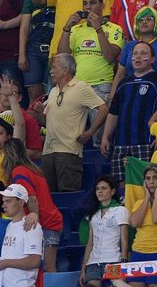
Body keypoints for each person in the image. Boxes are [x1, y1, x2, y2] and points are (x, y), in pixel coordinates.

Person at [40, 54, 107, 192]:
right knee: (48, 195)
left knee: (68, 194)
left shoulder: (81, 87)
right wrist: (38, 113)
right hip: (48, 151)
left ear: (65, 70)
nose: (51, 71)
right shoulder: (53, 91)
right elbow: (46, 121)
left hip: (69, 150)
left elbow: (103, 109)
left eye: (54, 67)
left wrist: (90, 132)